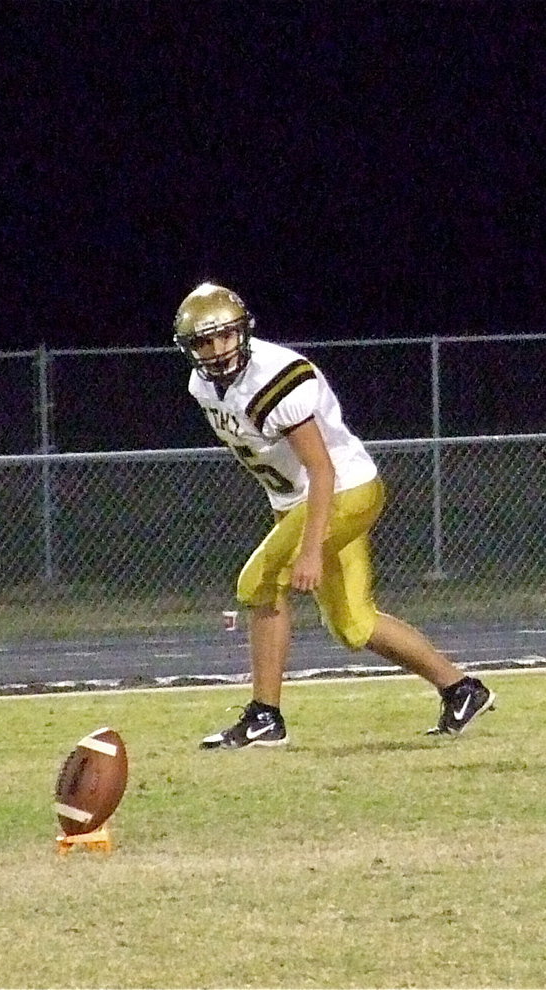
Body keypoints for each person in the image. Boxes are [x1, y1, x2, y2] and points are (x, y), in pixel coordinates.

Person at [172, 282, 495, 749]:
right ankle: (462, 689)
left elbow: (320, 469)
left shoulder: (276, 378)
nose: (218, 349)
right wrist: (290, 519)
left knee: (258, 583)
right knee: (353, 624)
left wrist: (308, 549)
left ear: (243, 331)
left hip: (344, 492)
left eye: (225, 336)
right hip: (304, 503)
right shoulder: (202, 385)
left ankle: (265, 716)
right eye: (205, 341)